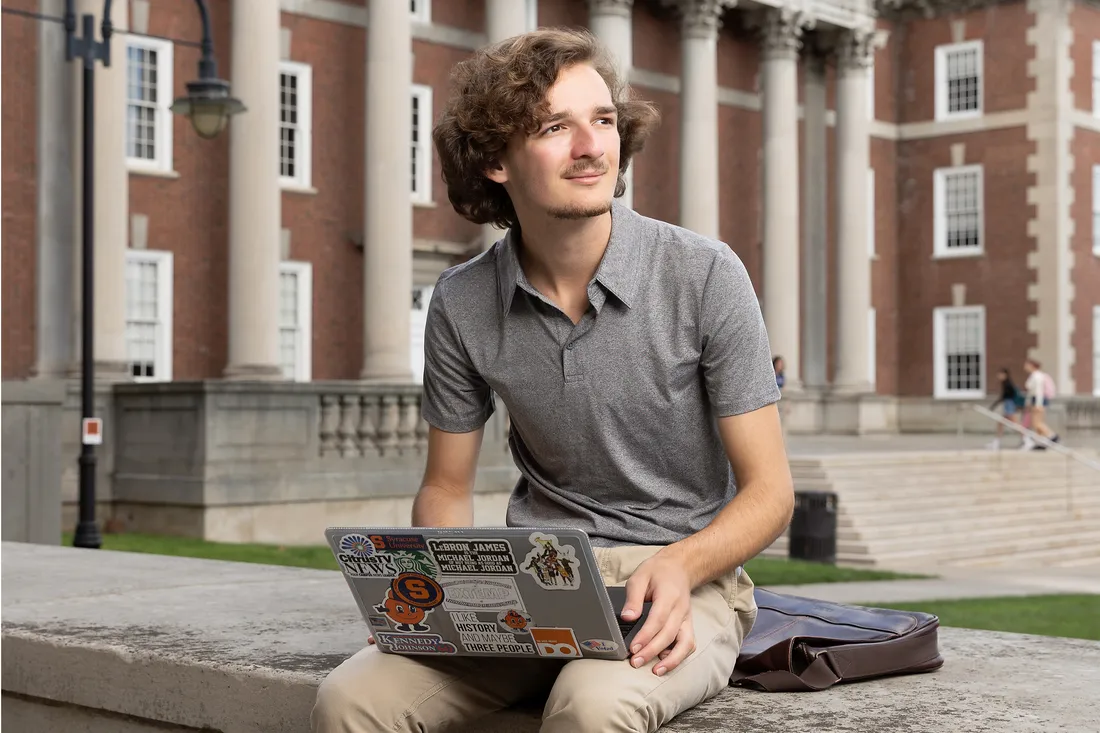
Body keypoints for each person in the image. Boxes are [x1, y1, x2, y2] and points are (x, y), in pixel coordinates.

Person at [311, 27, 793, 733]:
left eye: (602, 120)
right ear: (498, 161)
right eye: (555, 127)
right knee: (349, 698)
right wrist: (439, 603)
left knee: (590, 708)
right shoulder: (462, 301)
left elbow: (772, 491)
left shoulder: (705, 275)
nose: (592, 145)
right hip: (534, 582)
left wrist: (684, 565)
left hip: (681, 579)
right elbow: (445, 485)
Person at [1022, 358, 1059, 450]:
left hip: (1038, 400)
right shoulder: (1034, 376)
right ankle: (1040, 441)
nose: (1025, 367)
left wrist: (1038, 404)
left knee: (1037, 423)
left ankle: (1051, 435)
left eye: (1027, 365)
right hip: (1036, 400)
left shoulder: (1037, 376)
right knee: (1037, 423)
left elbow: (1038, 391)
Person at [987, 368, 1023, 450]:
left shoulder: (1008, 384)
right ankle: (996, 442)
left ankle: (1027, 440)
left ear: (1004, 375)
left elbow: (1005, 396)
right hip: (1008, 404)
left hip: (1009, 405)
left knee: (1015, 424)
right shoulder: (1005, 383)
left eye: (1000, 374)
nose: (998, 376)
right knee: (1001, 423)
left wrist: (994, 405)